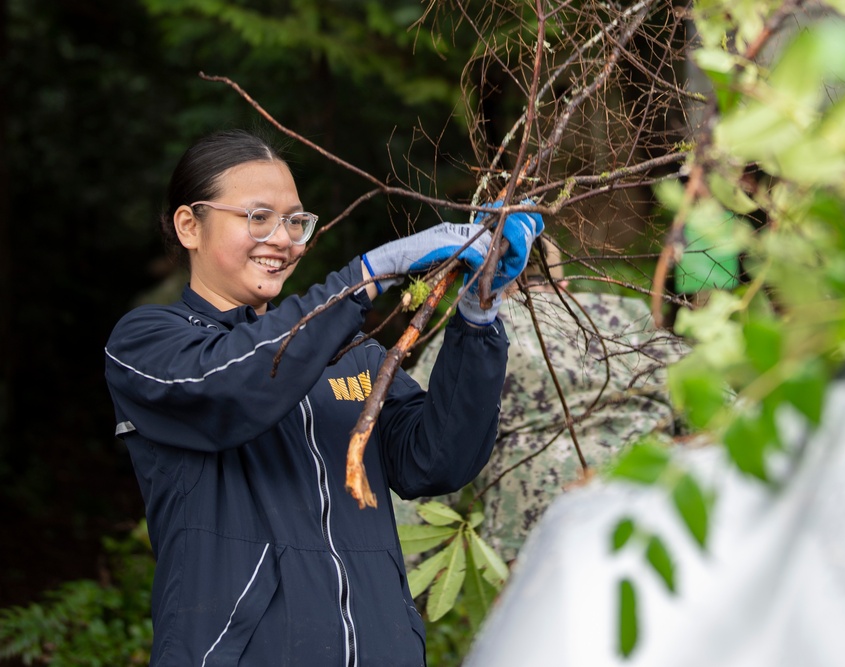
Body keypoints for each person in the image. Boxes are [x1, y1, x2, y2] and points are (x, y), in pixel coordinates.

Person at [103, 128, 542, 666]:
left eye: (295, 221)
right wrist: (366, 277)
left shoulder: (349, 351)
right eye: (257, 218)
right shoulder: (149, 342)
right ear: (190, 226)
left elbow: (433, 461)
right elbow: (231, 386)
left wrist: (478, 315)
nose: (283, 238)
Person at [395, 241, 688, 564]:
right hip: (658, 518)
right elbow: (717, 411)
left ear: (481, 283)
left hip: (540, 548)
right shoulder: (633, 319)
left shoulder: (476, 336)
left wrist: (404, 594)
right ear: (562, 284)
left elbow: (427, 455)